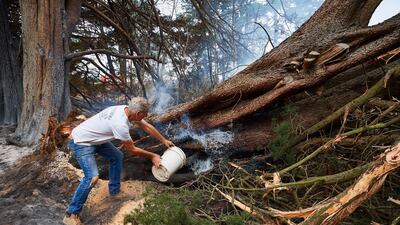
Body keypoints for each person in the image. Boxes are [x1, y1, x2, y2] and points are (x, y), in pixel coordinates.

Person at [63, 97, 174, 225]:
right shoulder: (120, 124)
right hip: (81, 141)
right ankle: (71, 213)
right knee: (92, 177)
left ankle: (114, 192)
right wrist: (153, 156)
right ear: (138, 114)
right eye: (145, 114)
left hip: (94, 138)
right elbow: (132, 149)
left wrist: (164, 140)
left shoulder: (126, 110)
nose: (145, 117)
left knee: (117, 156)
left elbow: (147, 126)